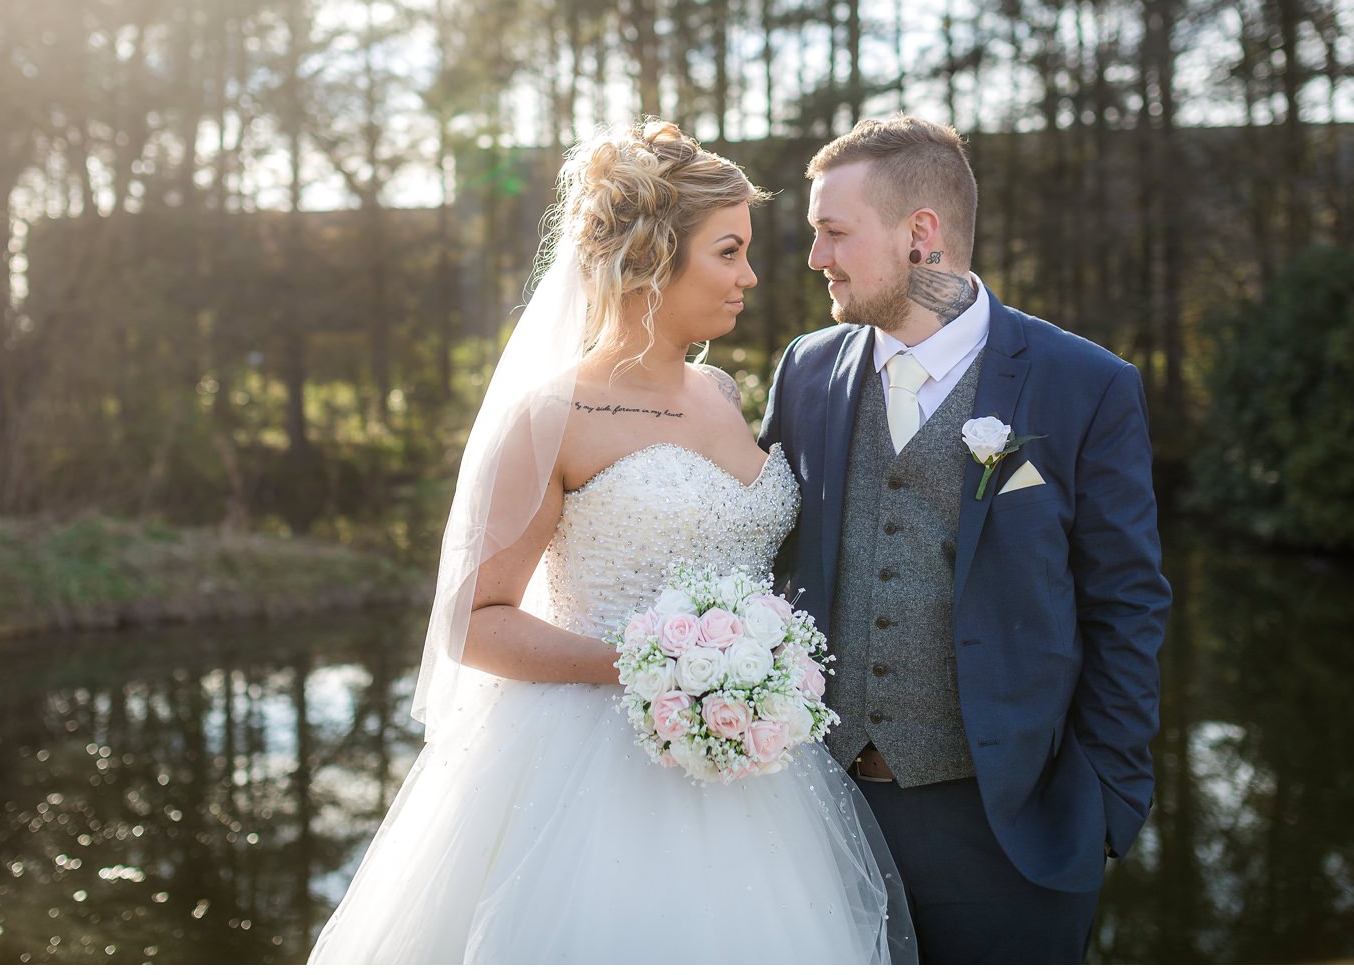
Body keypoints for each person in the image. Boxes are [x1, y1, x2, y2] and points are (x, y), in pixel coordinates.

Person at [308, 120, 912, 964]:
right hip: (588, 770)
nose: (751, 276)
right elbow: (473, 619)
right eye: (728, 250)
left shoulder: (720, 390)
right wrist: (646, 664)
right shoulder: (551, 416)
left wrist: (745, 671)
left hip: (760, 765)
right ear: (653, 258)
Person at [759, 115, 1170, 963]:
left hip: (1012, 828)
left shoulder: (1085, 384)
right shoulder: (807, 369)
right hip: (817, 822)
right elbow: (771, 562)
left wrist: (1105, 802)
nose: (815, 259)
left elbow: (1126, 605)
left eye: (834, 232)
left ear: (921, 234)